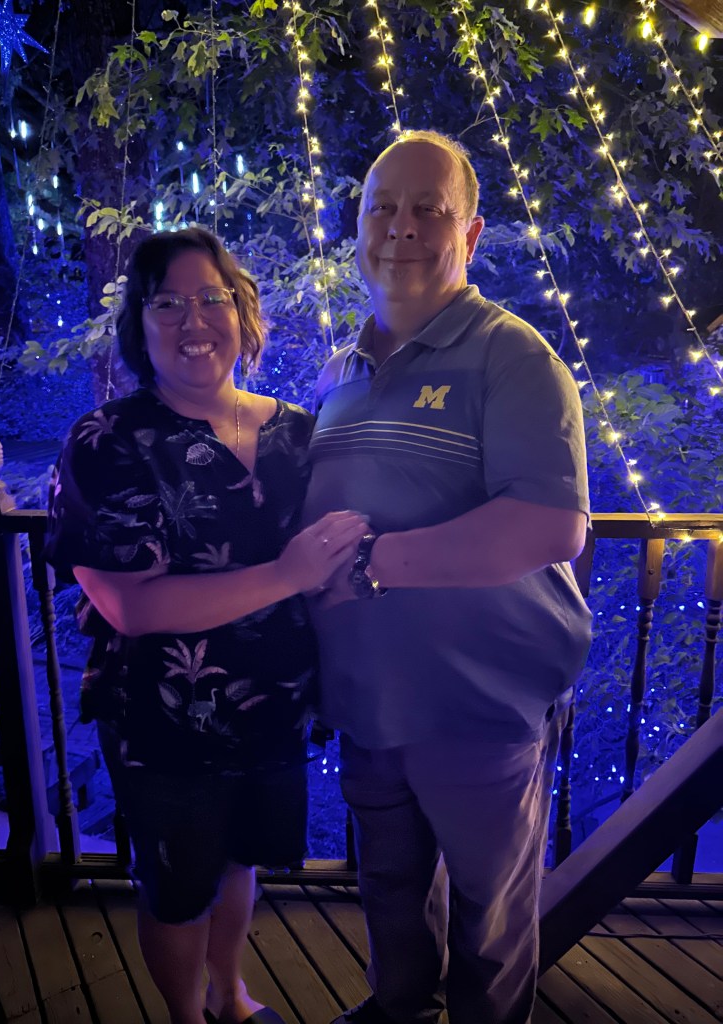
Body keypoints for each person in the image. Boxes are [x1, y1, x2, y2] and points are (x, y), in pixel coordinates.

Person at [302, 130, 592, 1024]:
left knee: (488, 924)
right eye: (382, 207)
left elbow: (551, 525)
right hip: (369, 703)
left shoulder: (514, 356)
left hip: (479, 711)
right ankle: (398, 1012)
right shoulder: (342, 372)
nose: (401, 227)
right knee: (390, 894)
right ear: (357, 227)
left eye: (428, 209)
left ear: (469, 235)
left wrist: (372, 564)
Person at [45, 226, 367, 1024]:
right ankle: (187, 1017)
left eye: (211, 298)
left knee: (241, 862)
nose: (193, 320)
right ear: (139, 324)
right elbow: (132, 606)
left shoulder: (299, 432)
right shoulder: (107, 441)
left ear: (242, 312)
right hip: (163, 722)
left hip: (276, 709)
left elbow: (340, 559)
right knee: (178, 888)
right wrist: (287, 574)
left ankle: (231, 993)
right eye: (167, 304)